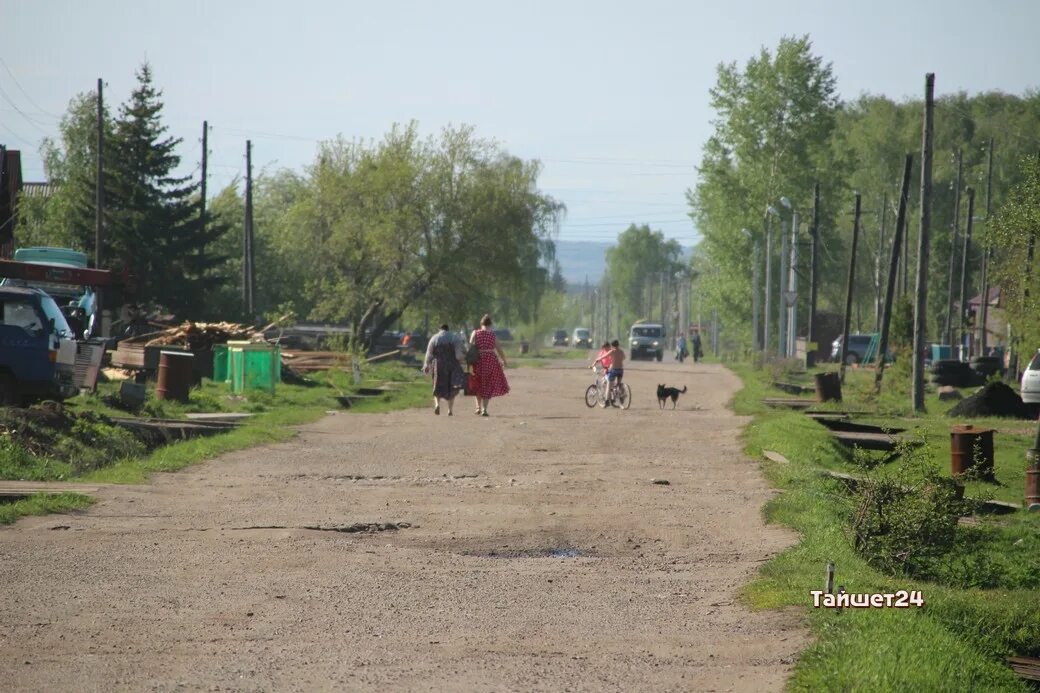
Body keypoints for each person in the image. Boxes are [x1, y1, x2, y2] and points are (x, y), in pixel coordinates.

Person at [469, 314, 510, 416]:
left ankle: (478, 407)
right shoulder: (492, 335)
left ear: (481, 323)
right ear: (490, 324)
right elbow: (499, 349)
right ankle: (484, 409)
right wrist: (504, 360)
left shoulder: (475, 333)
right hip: (490, 360)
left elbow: (470, 345)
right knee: (487, 384)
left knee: (477, 383)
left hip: (477, 360)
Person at [422, 323, 466, 416]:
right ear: (448, 329)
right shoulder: (454, 337)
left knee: (437, 385)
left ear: (439, 329)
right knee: (451, 387)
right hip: (451, 365)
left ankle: (437, 405)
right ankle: (450, 410)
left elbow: (429, 353)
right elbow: (459, 355)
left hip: (438, 365)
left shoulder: (434, 338)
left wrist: (426, 364)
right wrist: (463, 360)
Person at [604, 339, 626, 406]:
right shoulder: (621, 351)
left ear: (612, 345)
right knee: (618, 384)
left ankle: (607, 401)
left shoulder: (612, 351)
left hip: (614, 370)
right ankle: (620, 396)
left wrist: (597, 360)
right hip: (621, 370)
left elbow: (604, 356)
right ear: (618, 345)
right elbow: (624, 358)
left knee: (609, 384)